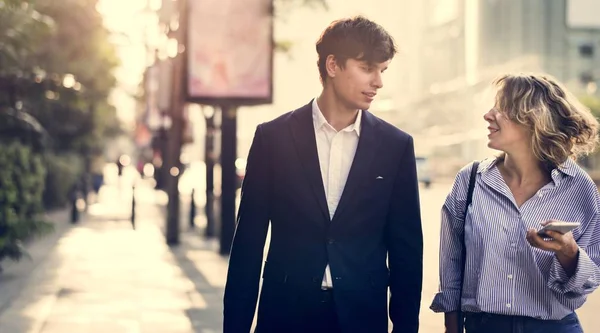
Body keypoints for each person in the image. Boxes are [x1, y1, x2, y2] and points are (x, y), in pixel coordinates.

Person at [223, 16, 423, 333]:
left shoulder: (395, 146)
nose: (378, 82)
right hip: (285, 314)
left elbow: (406, 253)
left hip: (361, 317)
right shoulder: (273, 138)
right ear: (332, 65)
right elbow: (248, 244)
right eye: (367, 68)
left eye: (382, 71)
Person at [431, 73, 600, 333]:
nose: (488, 115)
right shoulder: (470, 180)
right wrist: (451, 327)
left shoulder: (579, 188)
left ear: (534, 119)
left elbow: (589, 280)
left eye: (502, 109)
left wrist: (568, 253)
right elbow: (451, 267)